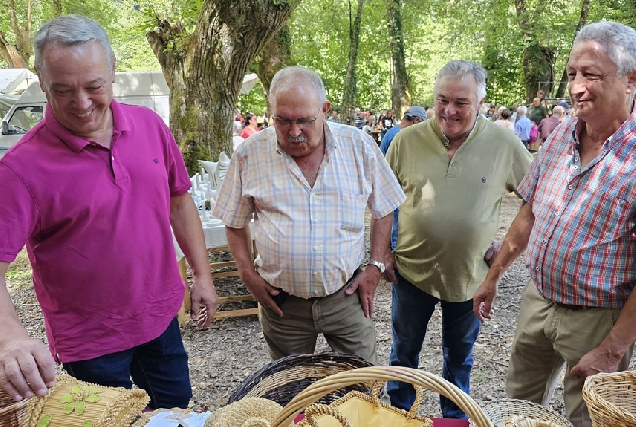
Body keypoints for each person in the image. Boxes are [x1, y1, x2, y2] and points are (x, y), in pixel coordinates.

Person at [0, 15, 218, 409]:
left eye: (94, 86)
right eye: (62, 90)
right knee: (112, 420)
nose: (81, 104)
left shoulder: (150, 125)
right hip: (90, 340)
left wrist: (202, 275)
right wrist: (11, 336)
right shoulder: (19, 169)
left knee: (175, 409)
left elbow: (179, 200)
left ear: (113, 70)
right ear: (41, 78)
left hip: (160, 316)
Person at [472, 20, 636, 427]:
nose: (577, 87)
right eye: (572, 75)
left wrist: (613, 350)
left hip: (598, 318)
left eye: (591, 75)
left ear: (631, 80)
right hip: (538, 300)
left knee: (589, 419)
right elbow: (528, 214)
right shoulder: (564, 133)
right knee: (516, 407)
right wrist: (493, 276)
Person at [212, 66, 405, 364]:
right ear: (271, 112)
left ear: (325, 110)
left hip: (347, 298)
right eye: (283, 120)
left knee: (362, 386)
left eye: (304, 120)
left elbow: (385, 205)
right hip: (282, 305)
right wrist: (247, 273)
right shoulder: (249, 154)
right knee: (289, 390)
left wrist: (376, 265)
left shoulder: (359, 146)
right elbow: (234, 221)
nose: (294, 131)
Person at [385, 60, 533, 420]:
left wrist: (506, 251)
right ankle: (399, 416)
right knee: (403, 351)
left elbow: (539, 199)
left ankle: (452, 419)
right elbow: (381, 200)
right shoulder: (406, 140)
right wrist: (381, 254)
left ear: (480, 102)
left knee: (460, 357)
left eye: (461, 102)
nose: (449, 110)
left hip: (470, 279)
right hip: (411, 271)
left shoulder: (504, 144)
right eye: (442, 99)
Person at [379, 106, 427, 252]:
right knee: (399, 221)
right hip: (399, 186)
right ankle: (396, 252)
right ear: (416, 121)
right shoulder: (404, 136)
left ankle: (394, 249)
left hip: (389, 183)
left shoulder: (391, 132)